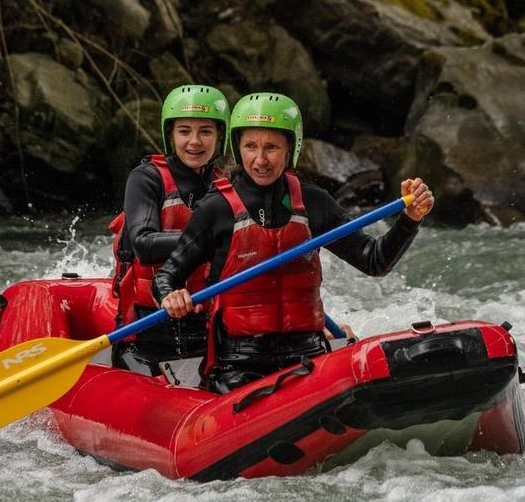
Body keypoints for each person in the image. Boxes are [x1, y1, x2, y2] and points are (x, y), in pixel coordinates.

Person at [153, 92, 434, 393]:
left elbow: (374, 259)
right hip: (239, 365)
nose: (260, 160)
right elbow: (166, 276)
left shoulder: (314, 203)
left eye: (271, 147)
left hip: (308, 356)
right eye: (250, 147)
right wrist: (172, 296)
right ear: (238, 148)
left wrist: (410, 219)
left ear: (291, 149)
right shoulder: (216, 208)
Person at [109, 84, 230, 376]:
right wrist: (210, 240)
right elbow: (143, 244)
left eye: (206, 131)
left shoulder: (228, 186)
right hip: (146, 333)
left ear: (220, 137)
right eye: (184, 131)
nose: (194, 141)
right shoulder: (146, 178)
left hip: (208, 330)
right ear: (171, 135)